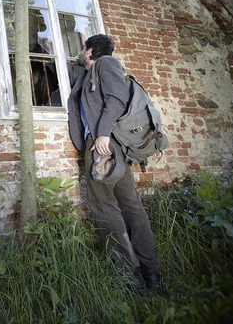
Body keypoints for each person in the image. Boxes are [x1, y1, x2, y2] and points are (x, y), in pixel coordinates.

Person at [67, 34, 162, 293]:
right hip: (110, 147)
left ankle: (128, 277)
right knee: (130, 205)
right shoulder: (89, 74)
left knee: (104, 208)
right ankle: (150, 274)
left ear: (90, 51)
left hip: (103, 146)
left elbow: (117, 98)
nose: (79, 52)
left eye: (82, 48)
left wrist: (102, 134)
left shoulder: (105, 63)